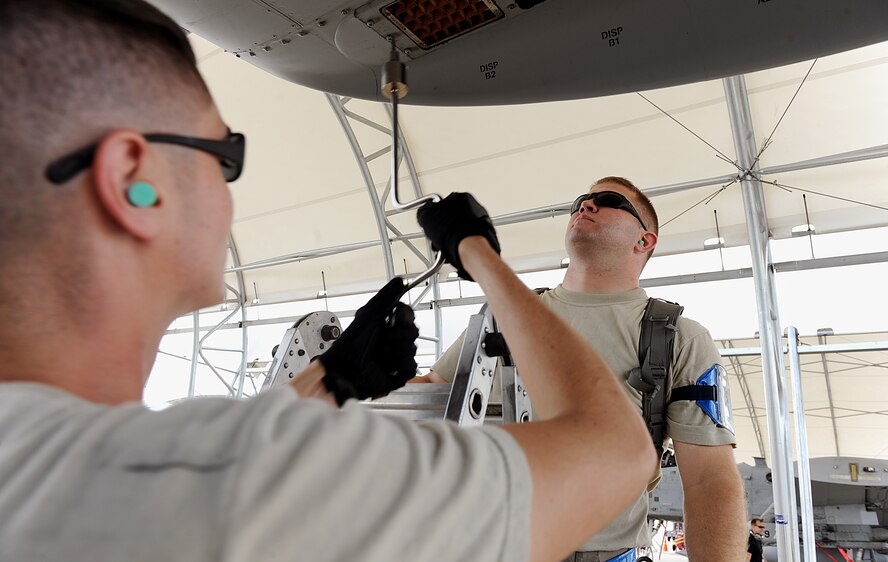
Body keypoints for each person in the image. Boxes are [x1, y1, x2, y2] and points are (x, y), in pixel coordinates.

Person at [0, 1, 657, 561]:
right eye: (224, 157)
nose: (229, 196)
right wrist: (478, 254)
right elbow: (618, 451)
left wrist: (331, 381)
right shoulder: (221, 484)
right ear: (132, 185)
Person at [417, 177, 748, 561]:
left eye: (607, 201)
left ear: (644, 241)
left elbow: (710, 480)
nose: (584, 207)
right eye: (580, 201)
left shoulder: (679, 339)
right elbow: (428, 391)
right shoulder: (505, 315)